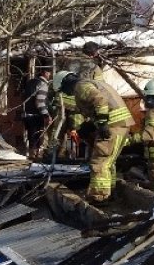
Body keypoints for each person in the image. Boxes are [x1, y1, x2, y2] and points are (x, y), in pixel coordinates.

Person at [52, 70, 133, 203]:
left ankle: (99, 198)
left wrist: (102, 123)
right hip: (121, 125)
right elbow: (97, 107)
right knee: (108, 163)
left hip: (111, 126)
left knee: (99, 163)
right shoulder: (94, 83)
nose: (67, 94)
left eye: (63, 90)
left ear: (66, 83)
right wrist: (88, 126)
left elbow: (100, 100)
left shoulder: (80, 86)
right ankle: (110, 193)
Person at [22, 68, 53, 158]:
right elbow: (39, 102)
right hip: (36, 115)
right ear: (43, 72)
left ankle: (32, 155)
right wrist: (46, 115)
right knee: (37, 137)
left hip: (26, 114)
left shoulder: (30, 82)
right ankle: (36, 157)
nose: (49, 74)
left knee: (31, 136)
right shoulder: (42, 84)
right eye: (48, 72)